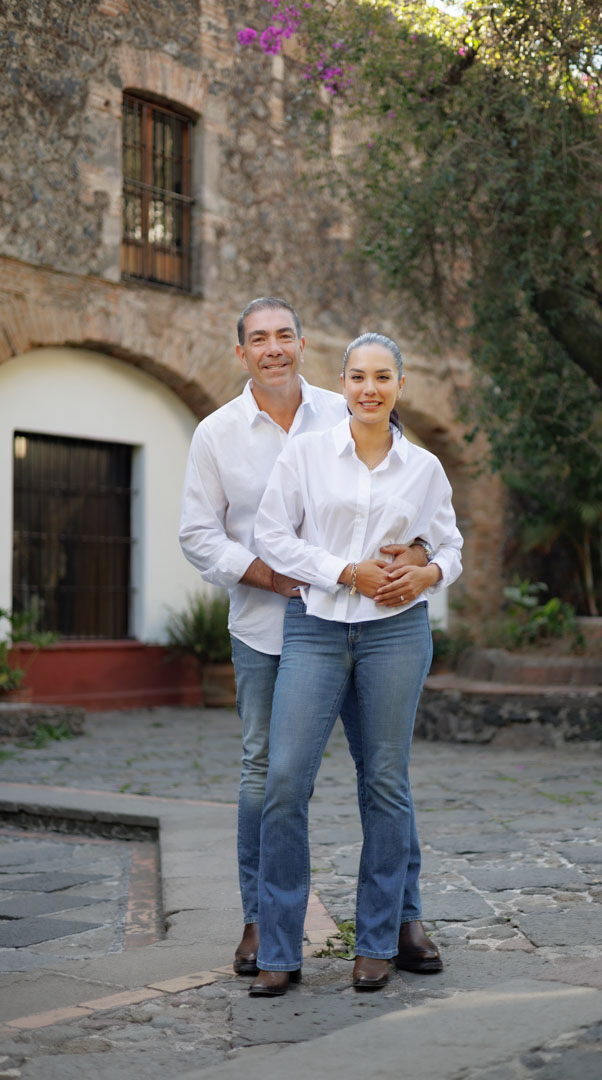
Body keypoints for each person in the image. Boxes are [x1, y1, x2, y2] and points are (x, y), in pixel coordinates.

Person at [179, 299, 442, 978]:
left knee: (382, 773)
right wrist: (270, 577)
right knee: (267, 774)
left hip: (361, 625)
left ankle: (401, 918)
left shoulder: (345, 405)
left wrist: (416, 555)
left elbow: (414, 505)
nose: (273, 348)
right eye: (258, 339)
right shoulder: (216, 433)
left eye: (284, 336)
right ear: (241, 353)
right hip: (271, 623)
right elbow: (199, 535)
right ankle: (260, 924)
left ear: (302, 346)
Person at [250, 331, 463, 996]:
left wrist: (426, 574)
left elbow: (450, 547)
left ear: (400, 386)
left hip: (396, 634)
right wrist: (347, 571)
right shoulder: (307, 454)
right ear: (340, 384)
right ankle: (278, 948)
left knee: (386, 784)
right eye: (358, 376)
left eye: (383, 377)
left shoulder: (423, 468)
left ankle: (378, 940)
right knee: (284, 780)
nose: (370, 388)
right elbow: (270, 536)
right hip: (315, 628)